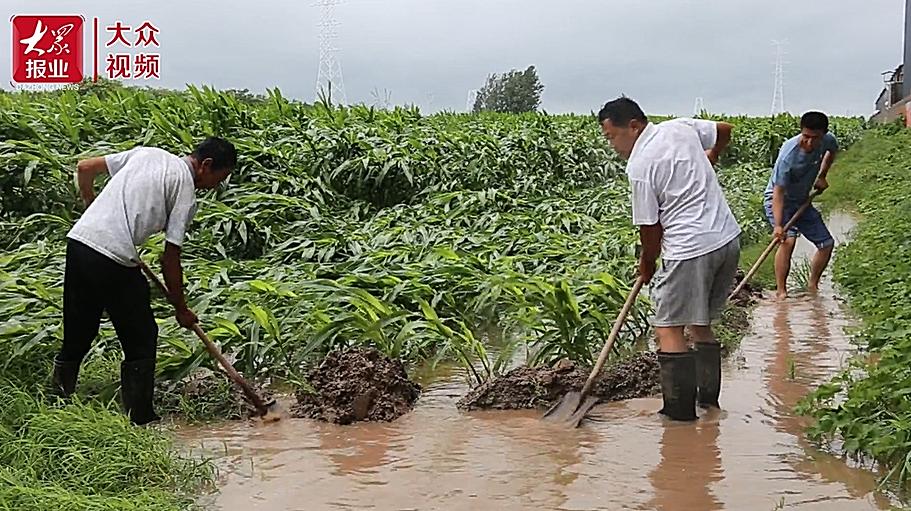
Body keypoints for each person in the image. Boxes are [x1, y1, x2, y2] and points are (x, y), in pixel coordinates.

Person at [52, 137, 236, 425]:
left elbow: (85, 167)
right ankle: (141, 419)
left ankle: (56, 403)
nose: (213, 187)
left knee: (79, 330)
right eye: (218, 179)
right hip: (113, 256)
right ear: (206, 165)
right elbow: (170, 258)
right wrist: (181, 309)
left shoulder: (147, 154)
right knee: (142, 338)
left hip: (80, 242)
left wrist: (90, 204)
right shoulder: (185, 188)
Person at [598, 97, 740, 421]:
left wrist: (647, 262)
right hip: (727, 238)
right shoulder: (680, 128)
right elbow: (725, 130)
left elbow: (650, 228)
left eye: (611, 136)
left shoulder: (640, 165)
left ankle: (679, 417)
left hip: (690, 248)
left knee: (667, 329)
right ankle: (709, 404)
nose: (612, 145)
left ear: (633, 126)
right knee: (700, 323)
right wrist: (712, 154)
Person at [764, 111, 838, 299]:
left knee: (827, 244)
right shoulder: (788, 155)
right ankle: (781, 292)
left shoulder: (828, 140)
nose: (810, 143)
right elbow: (778, 193)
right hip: (780, 200)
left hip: (802, 200)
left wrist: (822, 176)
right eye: (806, 136)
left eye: (815, 138)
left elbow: (832, 151)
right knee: (788, 241)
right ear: (801, 132)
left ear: (823, 134)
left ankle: (812, 286)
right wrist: (779, 225)